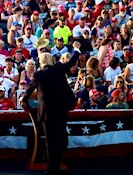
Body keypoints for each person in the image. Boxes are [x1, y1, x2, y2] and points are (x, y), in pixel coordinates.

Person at [21, 41, 81, 175]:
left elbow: (28, 91)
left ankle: (52, 168)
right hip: (61, 110)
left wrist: (23, 100)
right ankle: (58, 161)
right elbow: (71, 62)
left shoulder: (38, 74)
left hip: (46, 113)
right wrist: (76, 50)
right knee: (60, 136)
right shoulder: (59, 68)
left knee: (50, 140)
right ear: (51, 60)